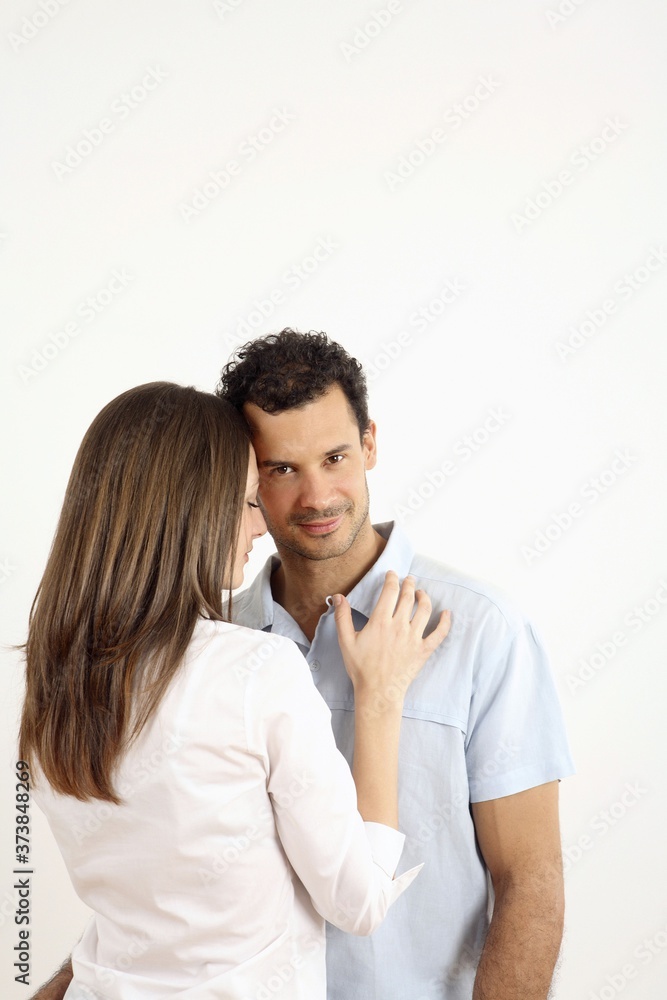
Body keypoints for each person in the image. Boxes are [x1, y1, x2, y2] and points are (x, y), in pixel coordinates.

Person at [33, 330, 575, 1000]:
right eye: (281, 470)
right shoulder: (209, 644)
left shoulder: (482, 631)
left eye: (335, 457)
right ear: (236, 477)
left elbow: (529, 881)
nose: (317, 496)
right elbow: (164, 895)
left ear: (369, 444)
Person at [21, 381, 450, 1000]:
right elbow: (358, 902)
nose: (260, 526)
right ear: (190, 512)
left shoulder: (48, 680)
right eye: (249, 500)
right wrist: (380, 699)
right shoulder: (256, 669)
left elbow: (144, 899)